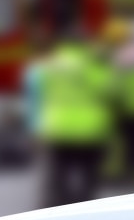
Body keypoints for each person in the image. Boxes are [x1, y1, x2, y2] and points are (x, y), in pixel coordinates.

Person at [25, 30, 116, 207]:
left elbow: (35, 94)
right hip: (90, 129)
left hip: (57, 127)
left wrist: (34, 127)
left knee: (58, 174)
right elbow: (109, 89)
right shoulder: (91, 65)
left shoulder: (47, 65)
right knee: (89, 174)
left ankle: (56, 207)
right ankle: (84, 207)